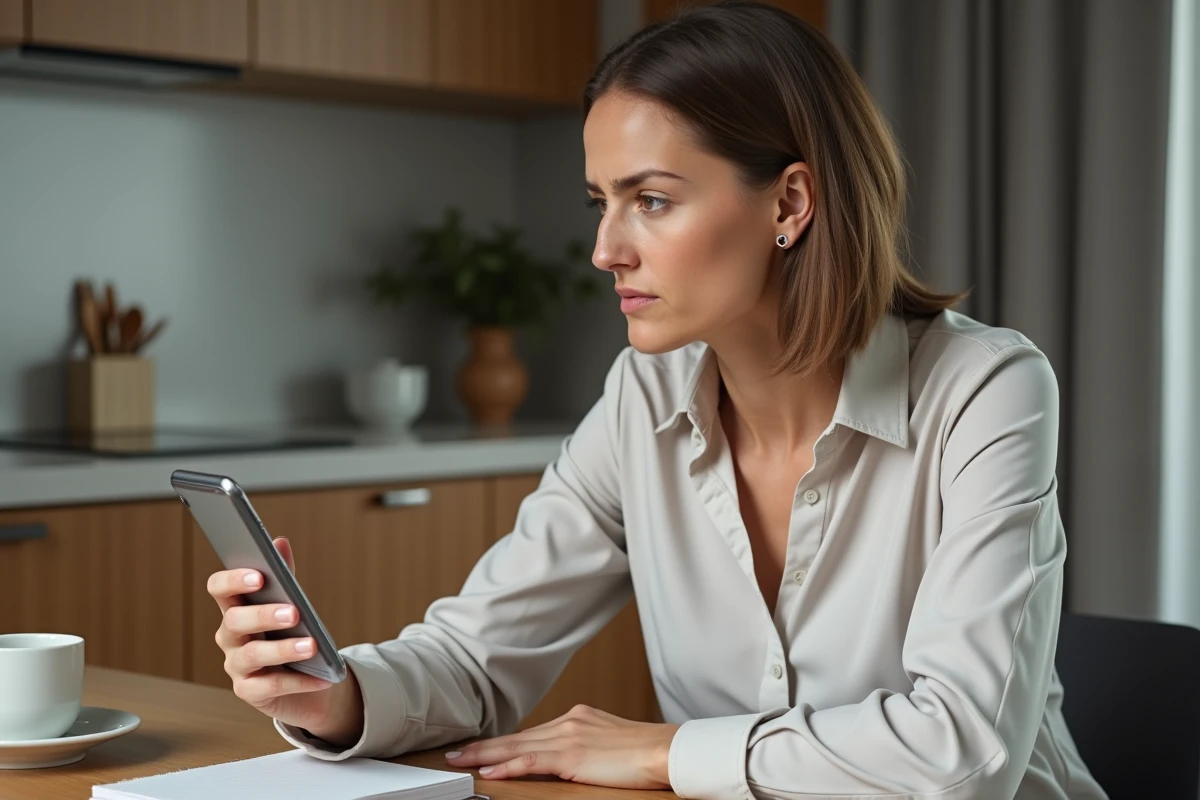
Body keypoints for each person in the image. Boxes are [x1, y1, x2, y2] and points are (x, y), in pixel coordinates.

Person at [205, 3, 1108, 798]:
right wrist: (336, 694)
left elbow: (963, 754)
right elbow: (478, 659)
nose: (606, 249)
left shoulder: (986, 390)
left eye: (653, 200)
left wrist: (665, 753)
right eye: (602, 200)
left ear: (789, 203)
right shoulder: (646, 395)